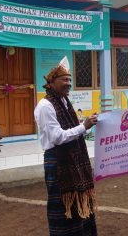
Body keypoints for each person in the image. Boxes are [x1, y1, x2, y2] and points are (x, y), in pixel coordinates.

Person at [34, 56, 98, 236]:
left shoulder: (63, 101)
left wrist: (85, 125)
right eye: (64, 80)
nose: (68, 83)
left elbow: (70, 130)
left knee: (79, 202)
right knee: (63, 206)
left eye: (70, 80)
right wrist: (83, 126)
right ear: (52, 82)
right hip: (58, 162)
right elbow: (57, 137)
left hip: (72, 160)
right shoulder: (46, 106)